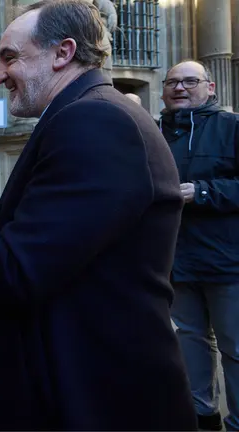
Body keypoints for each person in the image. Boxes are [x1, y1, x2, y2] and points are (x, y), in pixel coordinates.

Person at [0, 0, 197, 429]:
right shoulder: (82, 114)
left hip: (93, 394)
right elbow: (41, 242)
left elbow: (19, 268)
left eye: (10, 57)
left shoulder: (94, 121)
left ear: (63, 52)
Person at [159, 60, 239, 431]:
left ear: (210, 88)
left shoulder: (231, 126)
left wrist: (204, 192)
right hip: (177, 259)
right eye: (172, 82)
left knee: (235, 348)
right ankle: (202, 415)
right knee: (190, 340)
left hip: (229, 261)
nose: (179, 88)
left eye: (189, 81)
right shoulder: (154, 132)